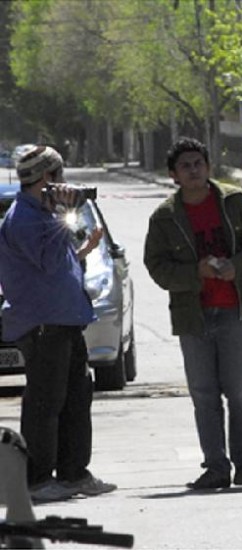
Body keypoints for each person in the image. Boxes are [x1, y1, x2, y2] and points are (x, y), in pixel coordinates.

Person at [144, 137, 242, 489]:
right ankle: (216, 467)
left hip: (237, 311)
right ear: (173, 175)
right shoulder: (164, 218)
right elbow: (155, 266)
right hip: (195, 317)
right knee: (204, 396)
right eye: (185, 166)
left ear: (208, 167)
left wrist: (237, 267)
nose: (193, 170)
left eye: (198, 163)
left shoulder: (233, 202)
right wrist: (194, 274)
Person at [0, 145, 117, 502]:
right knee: (44, 405)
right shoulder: (25, 218)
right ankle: (36, 480)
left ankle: (73, 474)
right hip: (43, 326)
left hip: (66, 320)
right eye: (59, 176)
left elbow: (60, 267)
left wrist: (82, 249)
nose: (65, 184)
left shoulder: (42, 215)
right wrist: (65, 212)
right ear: (47, 178)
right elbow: (48, 263)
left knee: (75, 400)